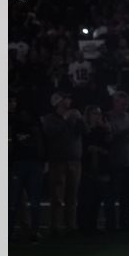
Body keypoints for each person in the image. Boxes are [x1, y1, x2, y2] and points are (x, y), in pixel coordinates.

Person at [42, 92, 85, 237]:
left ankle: (71, 226)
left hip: (75, 161)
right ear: (58, 102)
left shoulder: (74, 117)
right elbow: (52, 133)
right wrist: (66, 119)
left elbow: (85, 131)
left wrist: (80, 120)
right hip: (58, 161)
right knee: (57, 196)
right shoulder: (49, 119)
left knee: (72, 196)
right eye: (66, 98)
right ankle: (55, 226)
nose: (69, 101)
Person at [9, 95, 45, 244]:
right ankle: (13, 233)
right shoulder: (14, 123)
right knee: (14, 202)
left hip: (29, 164)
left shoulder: (34, 124)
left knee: (29, 201)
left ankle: (32, 232)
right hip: (19, 164)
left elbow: (41, 144)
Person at [105, 91, 129, 231]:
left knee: (126, 196)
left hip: (128, 161)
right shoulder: (107, 116)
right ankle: (111, 224)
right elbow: (107, 137)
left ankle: (125, 223)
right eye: (122, 103)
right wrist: (123, 133)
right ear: (115, 102)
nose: (125, 106)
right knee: (111, 195)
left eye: (127, 103)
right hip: (114, 161)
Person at [77, 106, 111, 234]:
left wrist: (106, 130)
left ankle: (92, 225)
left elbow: (109, 146)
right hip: (86, 168)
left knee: (96, 199)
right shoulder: (84, 131)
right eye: (94, 113)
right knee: (85, 198)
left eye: (99, 113)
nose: (97, 116)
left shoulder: (102, 131)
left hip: (100, 168)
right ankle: (82, 225)